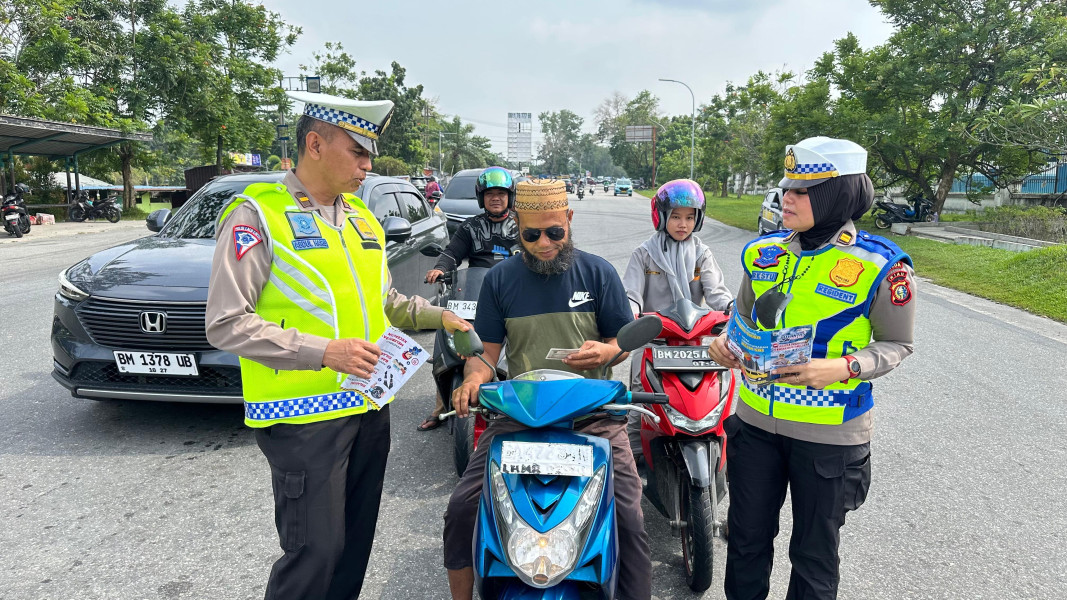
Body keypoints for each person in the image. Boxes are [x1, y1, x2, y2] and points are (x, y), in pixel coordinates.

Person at [205, 91, 470, 600]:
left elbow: (384, 301)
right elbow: (226, 323)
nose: (369, 166)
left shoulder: (361, 220)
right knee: (315, 552)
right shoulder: (257, 215)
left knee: (353, 547)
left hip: (369, 404)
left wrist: (441, 315)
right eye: (359, 152)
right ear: (315, 144)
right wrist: (323, 351)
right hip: (303, 416)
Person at [706, 136, 917, 600]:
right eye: (787, 189)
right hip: (755, 425)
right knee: (744, 545)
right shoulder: (762, 252)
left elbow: (897, 343)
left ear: (836, 193)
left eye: (803, 191)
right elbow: (738, 320)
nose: (788, 199)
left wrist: (843, 367)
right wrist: (724, 344)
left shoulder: (882, 265)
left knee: (814, 558)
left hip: (830, 436)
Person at [442, 180, 652, 600]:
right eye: (531, 234)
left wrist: (605, 352)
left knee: (627, 518)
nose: (543, 243)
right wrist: (470, 381)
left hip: (594, 416)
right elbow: (485, 354)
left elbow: (620, 346)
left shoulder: (598, 273)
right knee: (462, 508)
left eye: (554, 232)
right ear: (517, 226)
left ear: (569, 221)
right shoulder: (500, 280)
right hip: (521, 415)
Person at [621, 178, 733, 461]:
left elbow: (717, 292)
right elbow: (631, 294)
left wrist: (732, 309)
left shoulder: (701, 253)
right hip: (653, 339)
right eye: (675, 217)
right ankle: (636, 458)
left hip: (694, 341)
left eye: (689, 217)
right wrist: (632, 314)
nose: (682, 224)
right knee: (639, 396)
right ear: (661, 216)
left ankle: (721, 451)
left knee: (718, 393)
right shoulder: (644, 254)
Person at [418, 166, 520, 431]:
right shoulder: (471, 226)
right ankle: (440, 406)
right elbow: (452, 252)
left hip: (512, 295)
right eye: (489, 194)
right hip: (476, 293)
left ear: (510, 196)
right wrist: (440, 268)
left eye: (501, 193)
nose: (495, 198)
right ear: (481, 198)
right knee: (445, 336)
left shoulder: (523, 225)